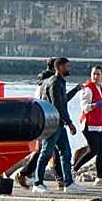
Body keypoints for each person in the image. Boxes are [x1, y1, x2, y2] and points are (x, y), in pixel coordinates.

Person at [32, 57, 79, 194]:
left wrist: (75, 90)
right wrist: (70, 123)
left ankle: (68, 183)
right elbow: (57, 105)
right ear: (58, 67)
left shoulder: (60, 82)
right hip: (52, 124)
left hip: (59, 123)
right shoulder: (54, 83)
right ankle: (37, 183)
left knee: (66, 153)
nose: (69, 69)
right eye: (67, 66)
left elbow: (63, 100)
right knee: (46, 153)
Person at [73, 64, 102, 184]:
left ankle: (99, 178)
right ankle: (74, 169)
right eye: (94, 74)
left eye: (98, 74)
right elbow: (84, 108)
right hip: (89, 124)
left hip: (100, 124)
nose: (96, 76)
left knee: (101, 151)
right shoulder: (87, 89)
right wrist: (95, 105)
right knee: (93, 149)